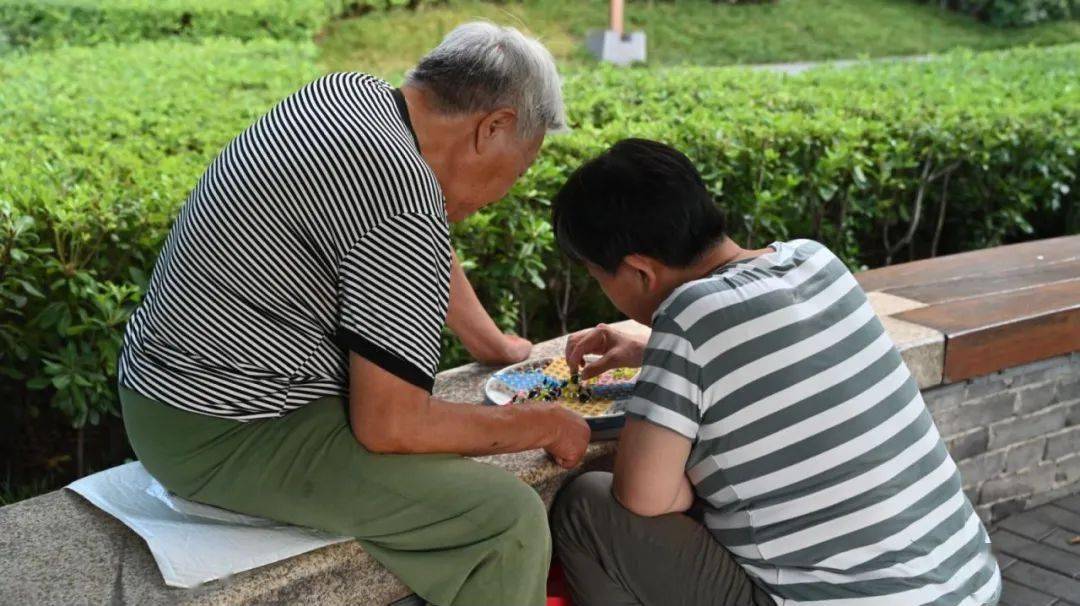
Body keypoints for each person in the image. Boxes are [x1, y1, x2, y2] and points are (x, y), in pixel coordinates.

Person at [117, 22, 590, 606]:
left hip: (159, 393)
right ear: (491, 127)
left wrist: (492, 345)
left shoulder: (348, 96)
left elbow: (418, 238)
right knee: (506, 519)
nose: (504, 194)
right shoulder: (403, 194)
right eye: (517, 171)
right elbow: (391, 425)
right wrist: (543, 423)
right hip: (226, 432)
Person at [549, 139, 1001, 606]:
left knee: (585, 506)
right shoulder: (815, 259)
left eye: (599, 279)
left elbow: (644, 497)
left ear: (639, 271)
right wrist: (653, 353)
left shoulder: (686, 316)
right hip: (968, 583)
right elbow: (780, 357)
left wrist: (693, 479)